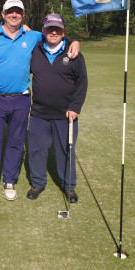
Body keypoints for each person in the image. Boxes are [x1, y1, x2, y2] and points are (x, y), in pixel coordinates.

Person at [0, 0, 80, 212]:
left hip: (21, 98)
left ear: (23, 15)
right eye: (10, 11)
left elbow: (55, 35)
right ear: (3, 14)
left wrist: (74, 41)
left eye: (18, 12)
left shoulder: (32, 36)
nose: (14, 15)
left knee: (16, 142)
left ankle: (9, 181)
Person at [26, 13, 88, 203]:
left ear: (63, 32)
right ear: (43, 30)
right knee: (36, 149)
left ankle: (68, 186)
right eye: (50, 29)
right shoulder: (35, 50)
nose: (53, 32)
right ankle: (38, 183)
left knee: (65, 151)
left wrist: (75, 107)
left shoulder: (73, 54)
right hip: (39, 113)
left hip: (65, 114)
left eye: (58, 29)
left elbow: (82, 83)